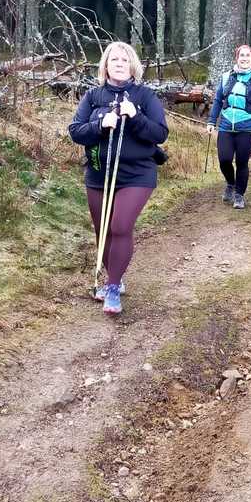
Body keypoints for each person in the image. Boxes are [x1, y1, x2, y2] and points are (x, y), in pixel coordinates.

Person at [69, 41, 168, 315]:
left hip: (137, 173)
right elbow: (76, 131)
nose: (120, 64)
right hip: (99, 173)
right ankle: (116, 275)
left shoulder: (145, 96)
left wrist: (135, 117)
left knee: (121, 226)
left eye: (125, 60)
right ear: (106, 65)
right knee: (103, 231)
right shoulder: (93, 96)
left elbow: (160, 133)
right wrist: (100, 125)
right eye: (114, 60)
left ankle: (112, 287)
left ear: (132, 65)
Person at [206, 44, 251, 210]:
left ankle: (239, 195)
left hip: (247, 128)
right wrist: (211, 121)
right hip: (226, 126)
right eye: (242, 55)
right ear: (237, 58)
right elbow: (218, 100)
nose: (244, 58)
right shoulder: (226, 77)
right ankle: (230, 184)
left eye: (248, 55)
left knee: (242, 162)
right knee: (224, 160)